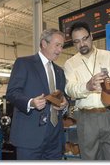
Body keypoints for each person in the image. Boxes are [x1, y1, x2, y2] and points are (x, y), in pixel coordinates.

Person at [64, 21, 110, 160]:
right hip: (86, 119)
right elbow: (70, 89)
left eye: (84, 39)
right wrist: (87, 87)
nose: (82, 44)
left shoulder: (108, 57)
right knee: (90, 158)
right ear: (73, 43)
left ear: (91, 37)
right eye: (77, 42)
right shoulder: (70, 63)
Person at [6, 28, 69, 160]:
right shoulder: (24, 63)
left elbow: (63, 97)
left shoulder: (59, 72)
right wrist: (30, 102)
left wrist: (64, 105)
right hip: (30, 136)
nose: (60, 50)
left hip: (55, 138)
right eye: (57, 45)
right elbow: (12, 92)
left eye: (62, 46)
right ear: (44, 44)